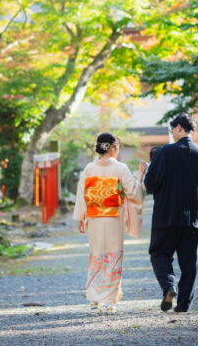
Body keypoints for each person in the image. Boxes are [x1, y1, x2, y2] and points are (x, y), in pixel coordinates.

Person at [141, 113, 198, 313]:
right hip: (192, 219)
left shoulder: (165, 153)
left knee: (159, 254)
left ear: (179, 128)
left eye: (171, 129)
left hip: (166, 216)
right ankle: (184, 304)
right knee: (189, 262)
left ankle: (170, 286)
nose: (171, 133)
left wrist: (147, 173)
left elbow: (151, 185)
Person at [73, 132, 145, 310]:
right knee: (113, 254)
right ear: (112, 147)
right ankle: (108, 300)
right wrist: (140, 176)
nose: (118, 150)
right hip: (113, 217)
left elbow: (82, 194)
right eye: (117, 147)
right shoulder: (120, 168)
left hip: (95, 217)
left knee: (97, 254)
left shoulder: (89, 168)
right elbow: (133, 192)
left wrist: (82, 217)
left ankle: (95, 296)